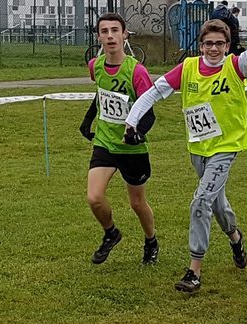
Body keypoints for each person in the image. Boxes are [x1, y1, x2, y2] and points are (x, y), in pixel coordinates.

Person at [125, 9, 247, 293]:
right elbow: (154, 92)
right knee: (217, 204)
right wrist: (132, 119)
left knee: (200, 202)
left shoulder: (236, 66)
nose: (213, 49)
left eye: (219, 44)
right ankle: (235, 238)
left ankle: (194, 270)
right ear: (201, 45)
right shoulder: (188, 67)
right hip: (198, 148)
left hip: (226, 148)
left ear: (227, 46)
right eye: (208, 43)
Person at [78, 12, 159, 265]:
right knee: (94, 197)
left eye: (115, 30)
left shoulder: (136, 71)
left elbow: (149, 111)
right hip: (105, 142)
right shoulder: (95, 66)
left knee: (137, 203)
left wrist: (137, 134)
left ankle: (151, 240)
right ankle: (111, 233)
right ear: (99, 37)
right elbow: (102, 94)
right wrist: (88, 120)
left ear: (125, 35)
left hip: (131, 148)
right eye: (105, 31)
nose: (110, 36)